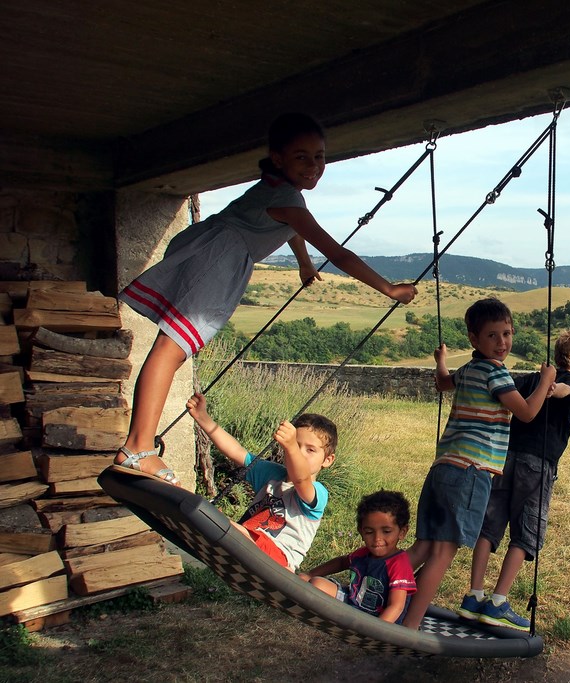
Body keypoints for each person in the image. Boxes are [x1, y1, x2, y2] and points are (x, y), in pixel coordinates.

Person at [113, 112, 417, 486]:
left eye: (319, 156)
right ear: (278, 158)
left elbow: (290, 230)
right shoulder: (289, 200)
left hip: (211, 250)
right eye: (302, 157)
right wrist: (389, 289)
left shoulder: (277, 189)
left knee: (170, 347)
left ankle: (137, 445)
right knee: (170, 348)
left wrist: (304, 264)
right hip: (219, 261)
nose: (314, 166)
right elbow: (338, 254)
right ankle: (137, 447)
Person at [402, 297, 557, 630]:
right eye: (492, 335)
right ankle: (408, 626)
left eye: (507, 333)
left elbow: (443, 382)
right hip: (471, 472)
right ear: (474, 339)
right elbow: (527, 413)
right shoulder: (495, 372)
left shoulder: (469, 369)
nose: (502, 342)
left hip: (443, 468)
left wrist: (441, 360)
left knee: (423, 547)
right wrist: (546, 381)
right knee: (443, 553)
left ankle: (375, 590)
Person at [457, 327, 570, 631]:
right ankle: (498, 602)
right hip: (536, 465)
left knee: (490, 525)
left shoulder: (536, 379)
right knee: (527, 531)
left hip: (505, 458)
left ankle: (474, 595)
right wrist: (554, 388)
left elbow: (506, 384)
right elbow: (568, 389)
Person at [185, 391, 335, 572]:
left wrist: (292, 447)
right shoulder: (273, 475)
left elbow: (301, 478)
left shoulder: (317, 492)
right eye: (297, 445)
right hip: (246, 542)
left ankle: (212, 523)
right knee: (215, 520)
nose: (300, 452)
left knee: (213, 519)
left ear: (327, 460)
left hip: (278, 557)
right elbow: (236, 452)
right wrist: (204, 418)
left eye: (310, 450)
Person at [301, 490, 417, 624]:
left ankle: (353, 622)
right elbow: (341, 562)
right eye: (369, 532)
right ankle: (343, 619)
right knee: (316, 583)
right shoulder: (363, 553)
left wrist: (375, 629)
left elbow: (396, 606)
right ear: (361, 532)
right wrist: (310, 574)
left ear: (402, 532)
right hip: (353, 604)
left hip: (381, 620)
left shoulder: (399, 563)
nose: (377, 539)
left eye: (386, 531)